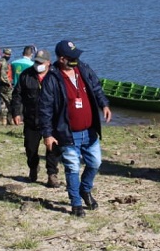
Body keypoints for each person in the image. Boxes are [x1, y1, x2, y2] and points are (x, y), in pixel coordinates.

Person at [40, 40, 112, 217]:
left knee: (95, 162)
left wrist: (104, 105)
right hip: (67, 133)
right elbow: (45, 108)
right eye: (72, 58)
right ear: (62, 59)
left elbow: (96, 88)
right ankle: (76, 203)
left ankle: (85, 189)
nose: (76, 60)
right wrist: (48, 134)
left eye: (77, 57)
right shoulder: (52, 78)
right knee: (72, 167)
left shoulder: (84, 69)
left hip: (89, 130)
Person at [10, 49, 61, 188]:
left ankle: (52, 174)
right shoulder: (26, 75)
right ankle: (33, 167)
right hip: (32, 118)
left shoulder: (56, 76)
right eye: (36, 62)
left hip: (52, 120)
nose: (37, 64)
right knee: (30, 148)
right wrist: (16, 113)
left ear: (48, 63)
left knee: (53, 148)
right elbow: (17, 95)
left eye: (40, 62)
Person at [0, 48, 14, 125]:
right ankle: (10, 119)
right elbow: (3, 75)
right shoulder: (4, 63)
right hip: (5, 85)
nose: (9, 56)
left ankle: (4, 120)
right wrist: (9, 83)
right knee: (10, 101)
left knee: (3, 102)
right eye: (8, 54)